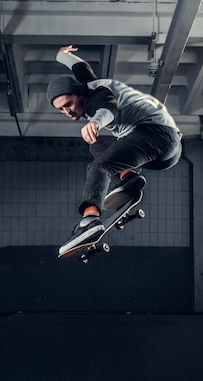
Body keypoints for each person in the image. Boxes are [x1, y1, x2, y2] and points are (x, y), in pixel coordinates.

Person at [47, 45, 182, 256]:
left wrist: (96, 123)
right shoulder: (85, 83)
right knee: (97, 144)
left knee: (99, 167)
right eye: (61, 109)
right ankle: (128, 178)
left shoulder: (94, 99)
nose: (68, 111)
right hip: (164, 145)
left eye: (69, 104)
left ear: (79, 94)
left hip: (157, 136)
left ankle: (89, 220)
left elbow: (108, 108)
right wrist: (61, 55)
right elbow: (80, 66)